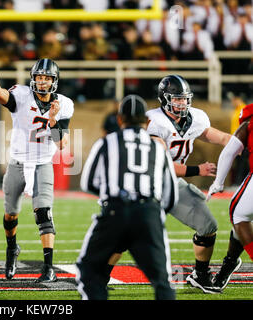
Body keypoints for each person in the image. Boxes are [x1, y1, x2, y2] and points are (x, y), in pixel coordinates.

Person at [102, 75, 232, 294]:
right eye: (177, 99)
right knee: (129, 234)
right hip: (149, 184)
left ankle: (200, 275)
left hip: (172, 185)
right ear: (164, 99)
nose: (182, 103)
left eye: (184, 99)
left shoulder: (196, 118)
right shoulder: (154, 121)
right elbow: (162, 164)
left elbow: (219, 137)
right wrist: (197, 170)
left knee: (207, 226)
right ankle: (100, 275)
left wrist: (242, 142)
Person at [0, 43, 74, 282]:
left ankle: (48, 268)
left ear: (54, 81)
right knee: (10, 215)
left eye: (46, 78)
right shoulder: (21, 95)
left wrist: (52, 121)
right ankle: (12, 249)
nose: (41, 82)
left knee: (44, 214)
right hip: (17, 162)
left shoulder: (64, 104)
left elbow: (62, 144)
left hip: (42, 163)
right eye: (38, 77)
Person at [77, 94, 178, 300]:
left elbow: (88, 183)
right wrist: (150, 212)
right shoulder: (158, 148)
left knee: (89, 270)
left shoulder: (108, 141)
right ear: (147, 122)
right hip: (148, 211)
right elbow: (171, 195)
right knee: (162, 281)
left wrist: (113, 194)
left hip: (115, 209)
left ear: (120, 119)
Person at [206, 102, 253, 291]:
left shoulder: (248, 123)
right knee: (242, 217)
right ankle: (228, 266)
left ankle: (229, 264)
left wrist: (218, 183)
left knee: (238, 214)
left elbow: (229, 151)